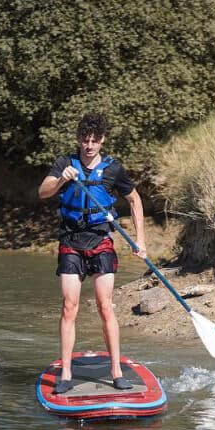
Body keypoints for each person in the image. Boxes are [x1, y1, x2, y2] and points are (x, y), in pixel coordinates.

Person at [37, 113, 147, 394]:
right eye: (85, 140)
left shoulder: (113, 169)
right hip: (71, 241)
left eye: (94, 141)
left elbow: (134, 199)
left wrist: (140, 240)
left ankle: (116, 371)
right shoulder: (65, 163)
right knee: (69, 307)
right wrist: (62, 179)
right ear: (78, 140)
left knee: (105, 306)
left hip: (100, 241)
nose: (89, 146)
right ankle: (66, 373)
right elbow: (43, 192)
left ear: (102, 141)